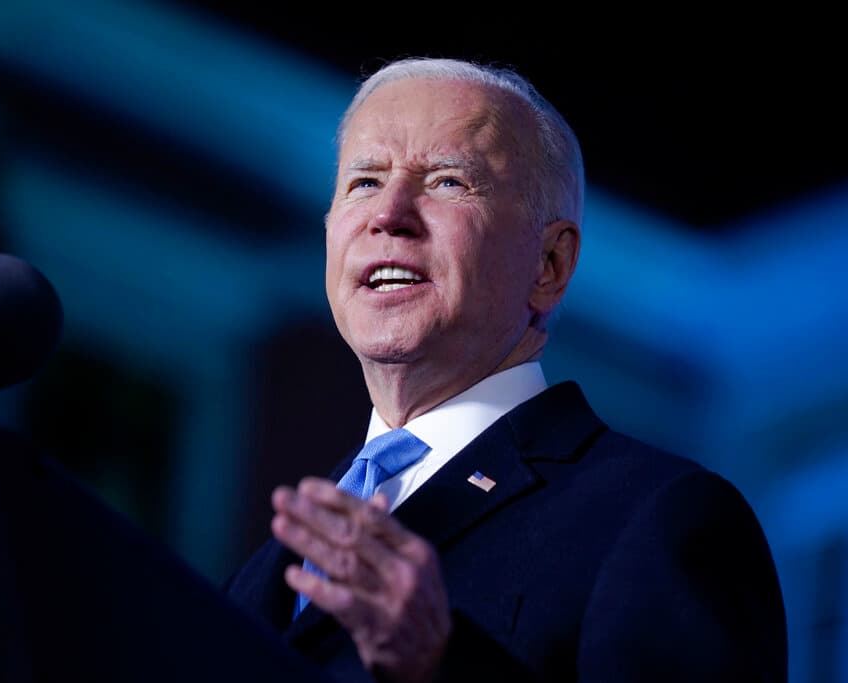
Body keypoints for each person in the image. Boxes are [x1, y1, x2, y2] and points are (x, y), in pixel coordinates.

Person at [226, 57, 787, 683]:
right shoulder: (255, 578)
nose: (389, 214)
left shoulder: (658, 517)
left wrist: (443, 665)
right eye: (364, 182)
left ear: (548, 264)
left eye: (446, 182)